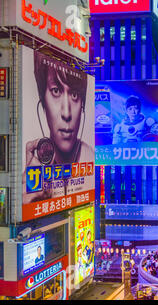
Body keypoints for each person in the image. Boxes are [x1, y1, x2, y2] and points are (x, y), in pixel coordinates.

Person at [23, 51, 93, 204]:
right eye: (56, 91)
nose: (66, 113)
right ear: (42, 101)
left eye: (74, 95)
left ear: (82, 105)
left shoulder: (92, 164)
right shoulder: (30, 169)